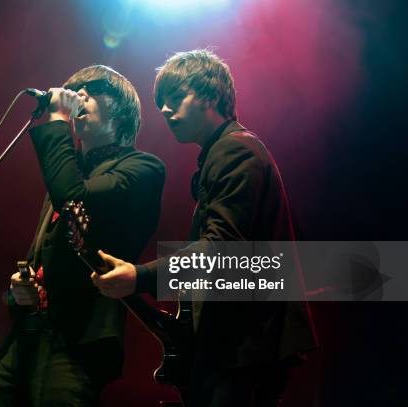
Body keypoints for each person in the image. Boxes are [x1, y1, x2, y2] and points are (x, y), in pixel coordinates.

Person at [91, 50, 317, 406]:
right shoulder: (226, 151)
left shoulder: (234, 151)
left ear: (211, 96)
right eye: (161, 102)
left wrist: (140, 276)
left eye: (176, 97)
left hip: (247, 347)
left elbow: (222, 250)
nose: (165, 110)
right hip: (239, 345)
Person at [0, 65, 165, 406]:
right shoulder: (68, 173)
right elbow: (45, 251)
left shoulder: (142, 168)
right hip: (28, 335)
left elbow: (72, 195)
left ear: (122, 110)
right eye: (75, 88)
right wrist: (21, 287)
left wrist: (55, 121)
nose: (79, 94)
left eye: (92, 89)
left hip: (79, 340)